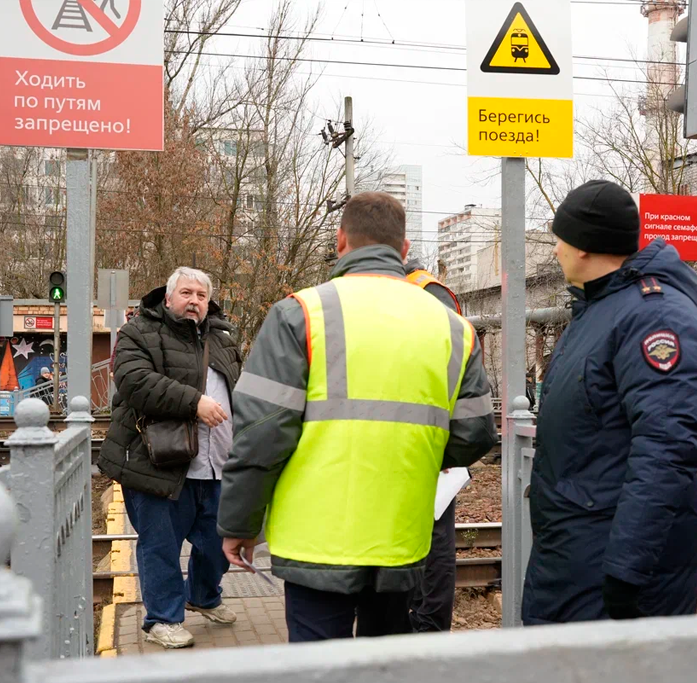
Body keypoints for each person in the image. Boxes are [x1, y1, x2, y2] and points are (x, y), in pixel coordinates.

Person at [218, 192, 498, 651]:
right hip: (400, 536)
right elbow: (475, 434)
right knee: (386, 675)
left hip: (316, 540)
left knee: (320, 680)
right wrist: (414, 452)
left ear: (340, 240)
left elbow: (259, 435)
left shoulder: (301, 314)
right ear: (404, 250)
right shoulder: (451, 326)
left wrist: (240, 523)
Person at [521, 180, 697, 683]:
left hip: (612, 567)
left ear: (584, 245)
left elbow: (666, 449)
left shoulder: (654, 317)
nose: (555, 248)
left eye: (558, 237)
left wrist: (626, 571)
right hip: (583, 555)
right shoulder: (601, 309)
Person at [98, 267, 242, 649]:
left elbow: (239, 393)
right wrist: (193, 403)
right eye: (186, 293)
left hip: (217, 462)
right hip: (156, 462)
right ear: (168, 297)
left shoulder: (223, 339)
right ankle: (161, 619)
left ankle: (202, 596)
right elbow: (134, 381)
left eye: (201, 295)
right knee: (160, 545)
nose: (194, 301)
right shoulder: (138, 333)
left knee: (219, 541)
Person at [404, 259, 468, 634]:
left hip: (430, 444)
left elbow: (449, 368)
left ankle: (428, 629)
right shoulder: (425, 291)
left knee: (433, 544)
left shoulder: (426, 293)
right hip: (415, 441)